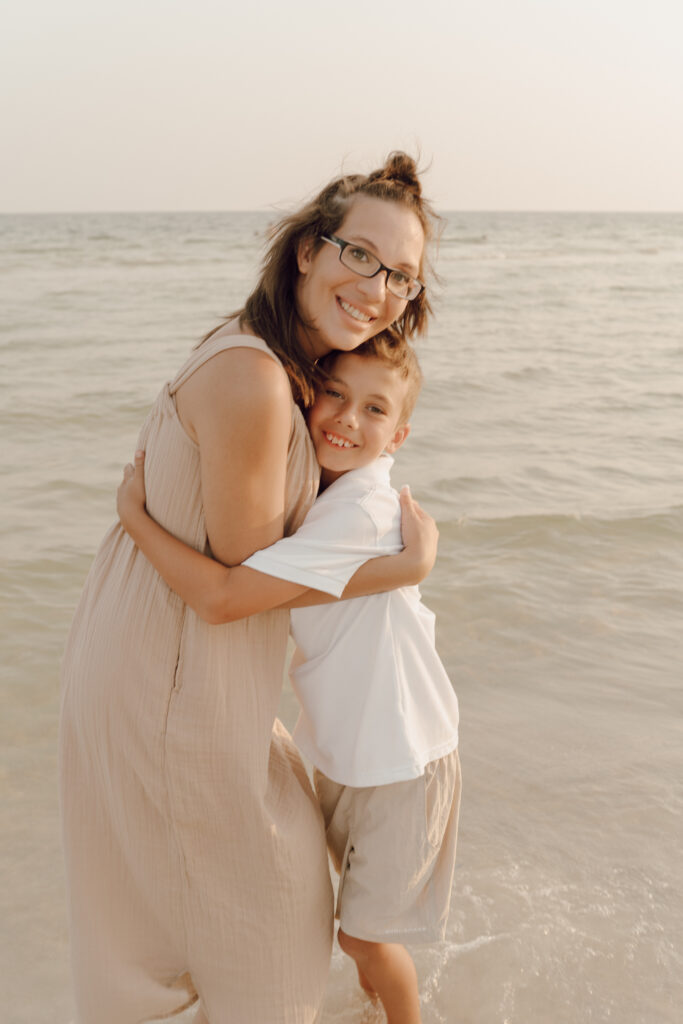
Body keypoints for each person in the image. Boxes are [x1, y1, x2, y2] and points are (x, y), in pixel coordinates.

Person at [60, 152, 440, 1024]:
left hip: (179, 659)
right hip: (171, 669)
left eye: (402, 278)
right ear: (308, 249)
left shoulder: (292, 371)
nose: (377, 288)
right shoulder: (258, 377)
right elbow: (235, 581)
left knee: (185, 928)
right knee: (270, 933)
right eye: (360, 256)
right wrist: (403, 569)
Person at [116, 336, 461, 1024]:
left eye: (373, 408)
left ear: (398, 433)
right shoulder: (318, 504)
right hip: (348, 753)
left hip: (402, 761)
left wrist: (134, 518)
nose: (346, 419)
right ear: (304, 396)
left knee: (362, 934)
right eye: (333, 394)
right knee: (349, 922)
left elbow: (220, 598)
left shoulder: (359, 512)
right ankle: (373, 1007)